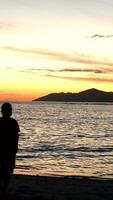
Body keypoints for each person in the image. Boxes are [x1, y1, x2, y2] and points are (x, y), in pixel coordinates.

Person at [0, 102, 20, 193]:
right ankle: (4, 188)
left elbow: (16, 136)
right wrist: (15, 147)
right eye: (10, 110)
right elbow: (16, 136)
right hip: (9, 150)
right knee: (7, 170)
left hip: (5, 149)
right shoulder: (13, 122)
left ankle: (3, 188)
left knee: (3, 169)